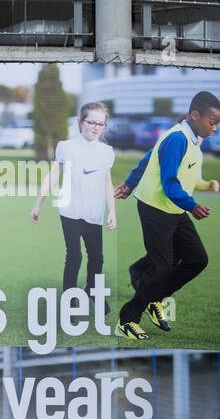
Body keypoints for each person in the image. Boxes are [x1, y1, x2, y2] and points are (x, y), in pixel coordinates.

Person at [114, 90, 220, 340]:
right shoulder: (178, 138)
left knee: (197, 259)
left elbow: (182, 175)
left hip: (174, 208)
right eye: (212, 122)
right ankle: (126, 321)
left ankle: (152, 296)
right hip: (155, 208)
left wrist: (206, 186)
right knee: (163, 266)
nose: (215, 128)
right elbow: (169, 181)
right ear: (195, 116)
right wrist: (192, 205)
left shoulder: (194, 141)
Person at [30, 102, 117, 302]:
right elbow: (52, 176)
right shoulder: (66, 147)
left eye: (101, 124)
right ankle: (69, 302)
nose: (96, 127)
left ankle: (92, 291)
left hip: (94, 211)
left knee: (97, 257)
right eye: (91, 122)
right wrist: (38, 204)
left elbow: (107, 182)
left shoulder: (106, 152)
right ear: (80, 122)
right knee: (75, 256)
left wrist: (112, 211)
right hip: (70, 210)